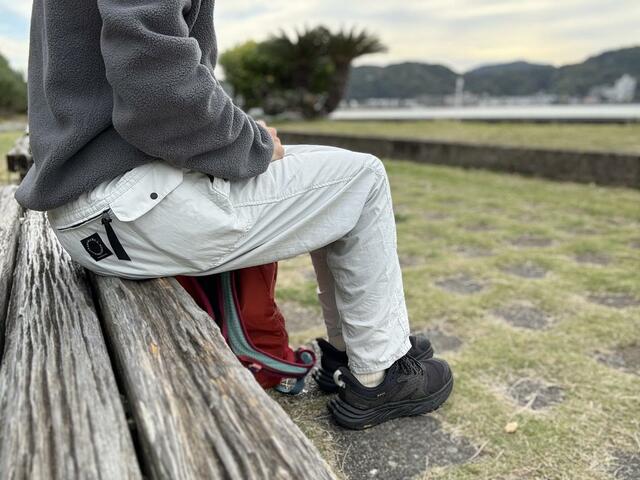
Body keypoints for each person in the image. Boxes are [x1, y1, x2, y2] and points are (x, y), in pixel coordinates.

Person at [16, 0, 453, 429]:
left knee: (336, 171)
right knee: (364, 178)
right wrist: (253, 144)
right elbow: (155, 83)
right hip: (127, 206)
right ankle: (378, 373)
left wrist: (248, 136)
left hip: (94, 205)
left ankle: (352, 352)